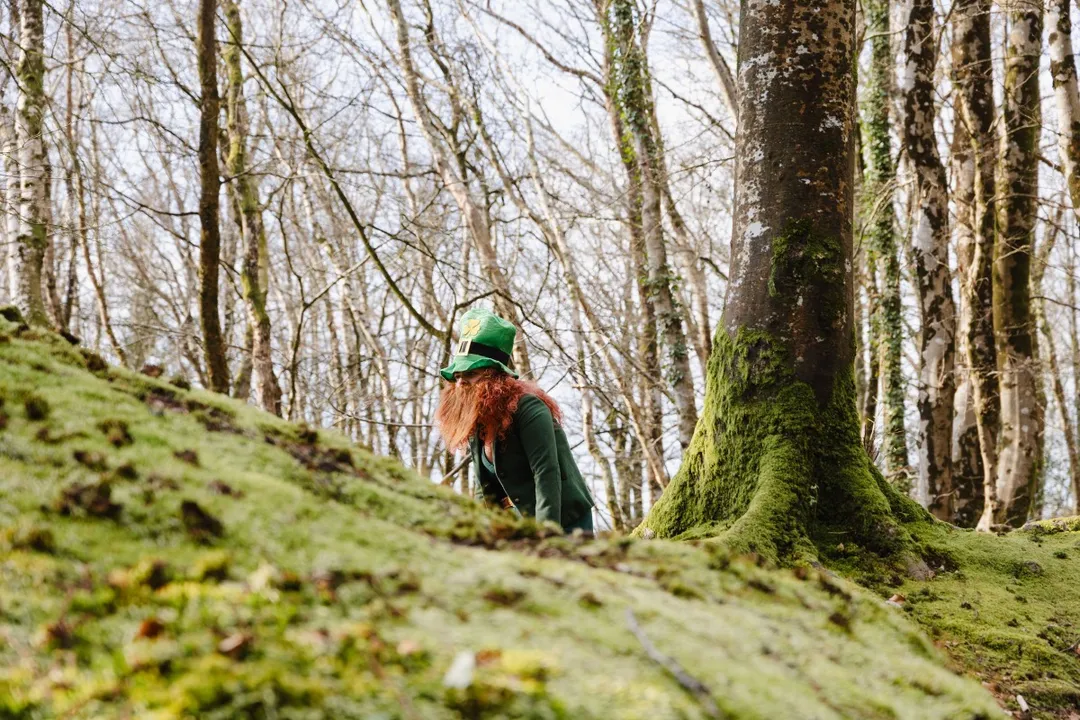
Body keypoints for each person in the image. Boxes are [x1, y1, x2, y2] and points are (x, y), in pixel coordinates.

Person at [435, 308, 595, 535]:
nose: (460, 384)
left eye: (470, 374)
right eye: (457, 376)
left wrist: (545, 534)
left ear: (495, 378)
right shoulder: (477, 419)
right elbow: (484, 489)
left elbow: (546, 474)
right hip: (517, 522)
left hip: (563, 519)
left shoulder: (529, 409)